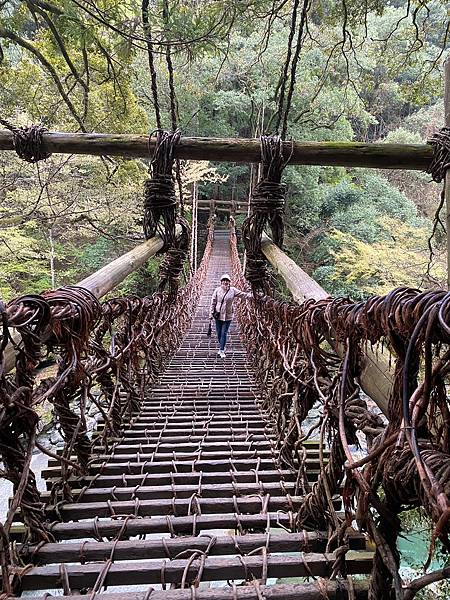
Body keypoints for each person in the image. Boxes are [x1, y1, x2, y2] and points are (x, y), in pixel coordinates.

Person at [209, 273, 251, 358]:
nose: (225, 282)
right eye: (224, 280)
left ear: (229, 282)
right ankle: (222, 347)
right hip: (218, 314)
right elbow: (213, 302)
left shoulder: (233, 290)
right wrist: (211, 313)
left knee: (224, 332)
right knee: (219, 333)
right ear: (221, 282)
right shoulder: (217, 290)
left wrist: (252, 295)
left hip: (228, 315)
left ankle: (221, 350)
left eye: (227, 280)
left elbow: (242, 294)